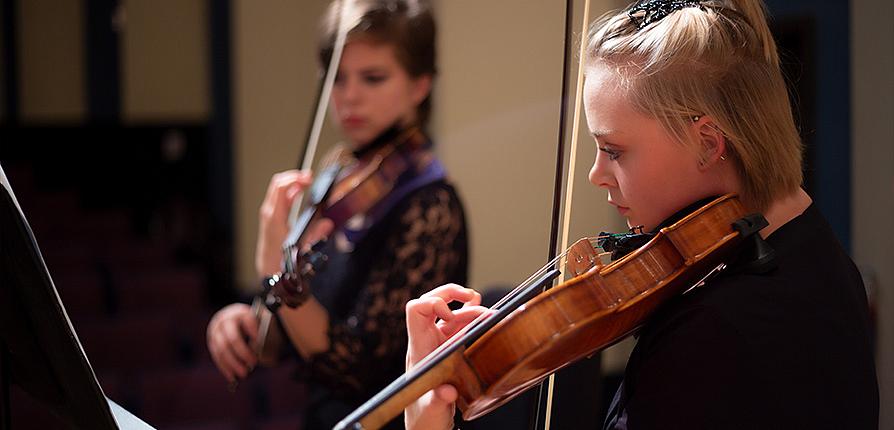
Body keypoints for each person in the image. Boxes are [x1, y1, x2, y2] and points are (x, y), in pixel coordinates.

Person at [403, 0, 878, 429]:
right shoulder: (817, 254)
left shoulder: (713, 334)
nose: (596, 174)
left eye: (613, 150)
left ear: (708, 142)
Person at [206, 1, 468, 429]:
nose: (349, 95)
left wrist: (275, 271)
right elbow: (283, 340)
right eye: (338, 78)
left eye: (373, 78)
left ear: (420, 86)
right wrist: (246, 320)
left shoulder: (430, 207)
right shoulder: (338, 172)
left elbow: (362, 374)